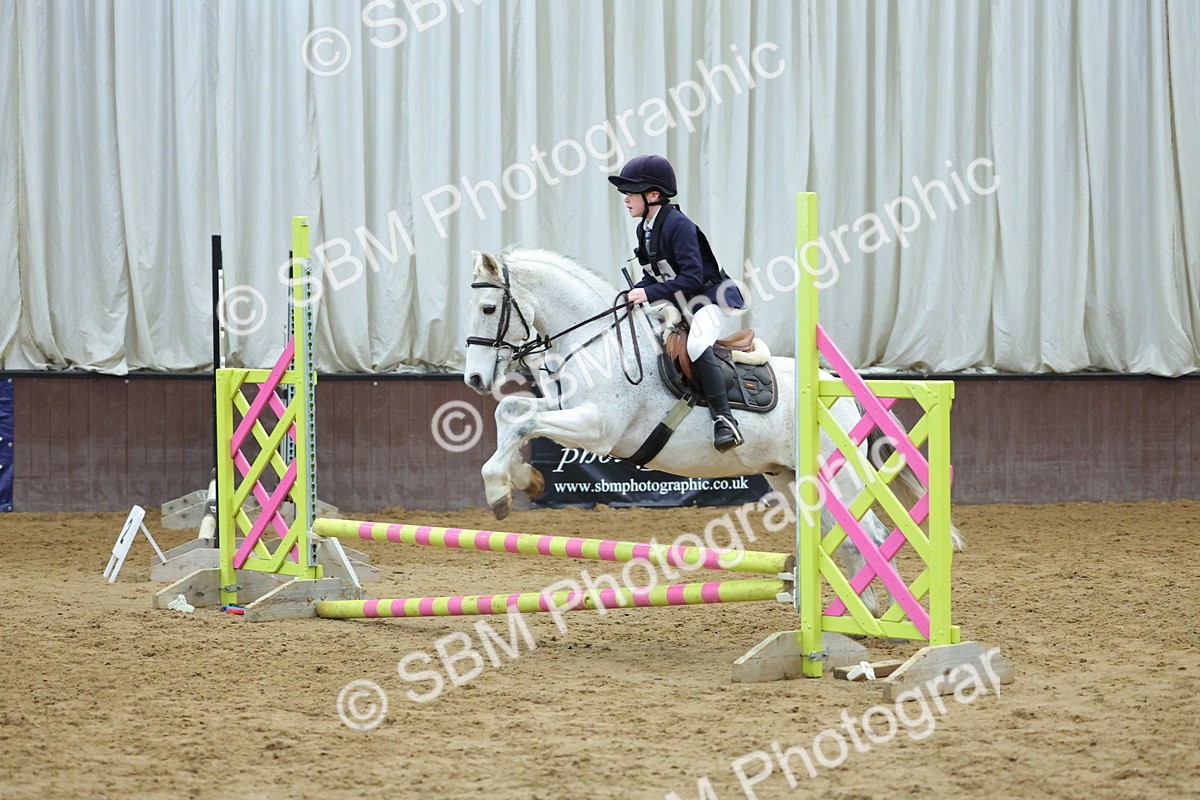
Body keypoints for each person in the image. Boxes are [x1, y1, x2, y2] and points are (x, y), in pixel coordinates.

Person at [608, 154, 746, 452]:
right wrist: (633, 294)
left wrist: (649, 294)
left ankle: (724, 420)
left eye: (631, 193)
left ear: (653, 194)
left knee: (696, 346)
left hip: (711, 298)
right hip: (682, 299)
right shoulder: (645, 228)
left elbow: (693, 278)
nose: (626, 199)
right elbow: (654, 276)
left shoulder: (679, 225)